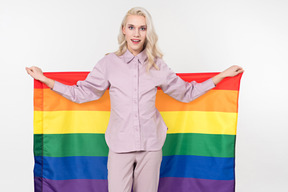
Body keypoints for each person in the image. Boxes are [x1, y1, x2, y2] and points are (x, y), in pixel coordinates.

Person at [26, 7, 243, 192]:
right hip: (119, 146)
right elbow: (83, 93)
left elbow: (185, 93)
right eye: (131, 27)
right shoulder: (109, 63)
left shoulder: (158, 65)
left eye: (142, 28)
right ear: (123, 30)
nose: (136, 33)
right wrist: (45, 80)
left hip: (151, 146)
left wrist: (220, 77)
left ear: (148, 32)